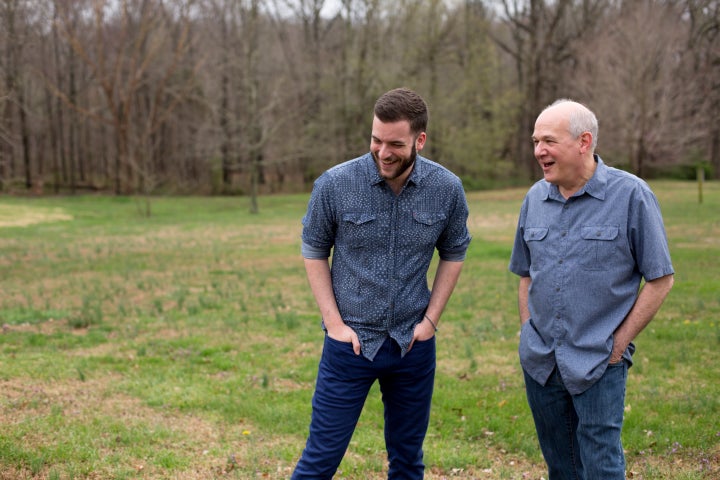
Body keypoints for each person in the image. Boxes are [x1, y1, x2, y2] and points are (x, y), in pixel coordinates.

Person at [292, 87, 472, 479]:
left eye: (395, 144)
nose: (383, 152)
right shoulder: (335, 184)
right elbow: (313, 249)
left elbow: (455, 252)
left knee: (408, 462)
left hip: (412, 345)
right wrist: (335, 326)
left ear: (419, 140)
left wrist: (431, 322)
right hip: (349, 346)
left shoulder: (446, 189)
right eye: (376, 140)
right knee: (320, 460)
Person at [508, 99, 675, 479]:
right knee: (560, 467)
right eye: (535, 141)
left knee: (601, 466)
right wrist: (527, 332)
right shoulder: (534, 198)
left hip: (600, 360)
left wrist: (618, 345)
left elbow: (661, 279)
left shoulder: (632, 195)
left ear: (584, 142)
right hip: (542, 363)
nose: (538, 151)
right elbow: (525, 274)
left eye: (548, 141)